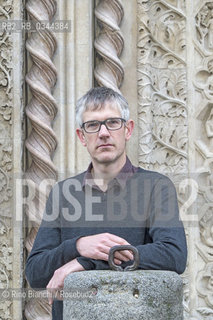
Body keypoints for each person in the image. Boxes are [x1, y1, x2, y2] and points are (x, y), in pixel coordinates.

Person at [25, 87, 187, 320]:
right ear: (82, 137)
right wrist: (78, 246)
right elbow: (36, 272)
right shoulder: (63, 193)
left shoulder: (156, 186)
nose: (103, 133)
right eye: (92, 125)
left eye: (113, 123)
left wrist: (88, 261)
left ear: (128, 129)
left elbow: (173, 254)